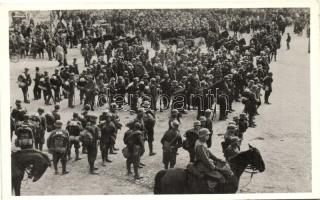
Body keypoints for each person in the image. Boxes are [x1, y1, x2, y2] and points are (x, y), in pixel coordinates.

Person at [193, 128, 230, 192]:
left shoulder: (202, 142)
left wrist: (218, 159)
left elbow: (209, 153)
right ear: (203, 136)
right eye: (207, 135)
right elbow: (205, 159)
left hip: (204, 163)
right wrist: (213, 167)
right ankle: (211, 190)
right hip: (202, 165)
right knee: (220, 177)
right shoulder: (200, 145)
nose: (208, 136)